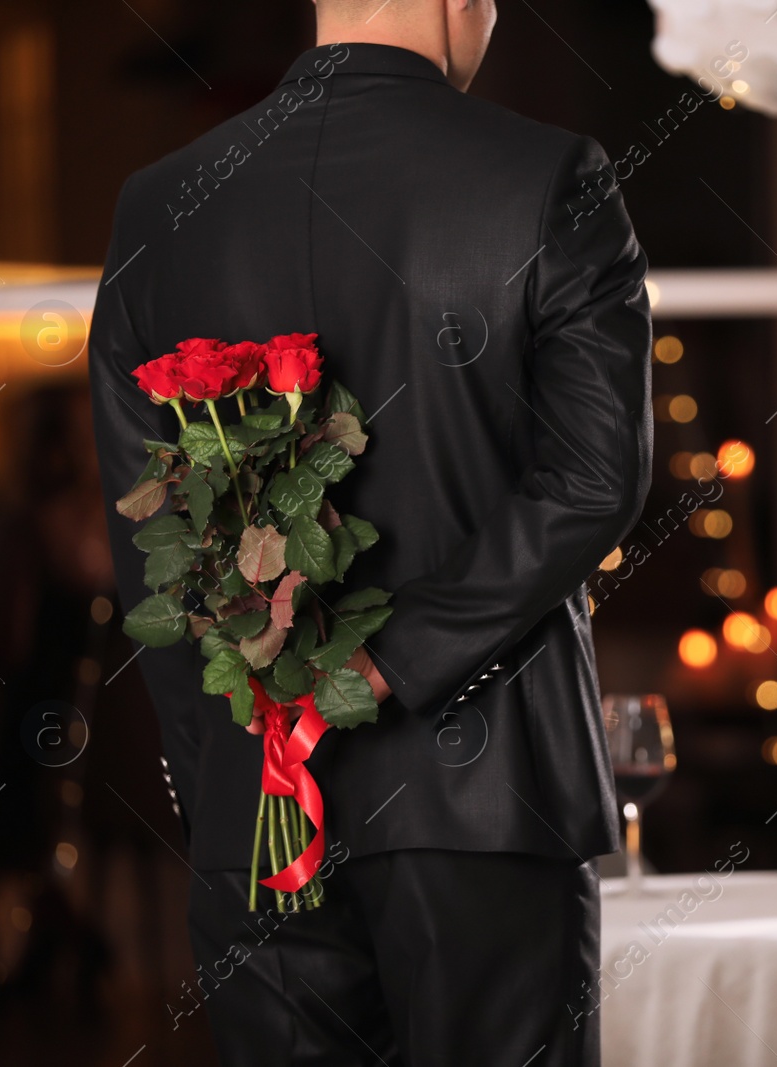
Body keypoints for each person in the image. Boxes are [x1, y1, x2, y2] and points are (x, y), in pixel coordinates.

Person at [87, 0, 653, 1063]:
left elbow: (149, 548)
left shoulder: (158, 205)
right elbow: (592, 479)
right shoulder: (550, 174)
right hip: (486, 809)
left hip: (257, 817)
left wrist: (227, 777)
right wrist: (386, 661)